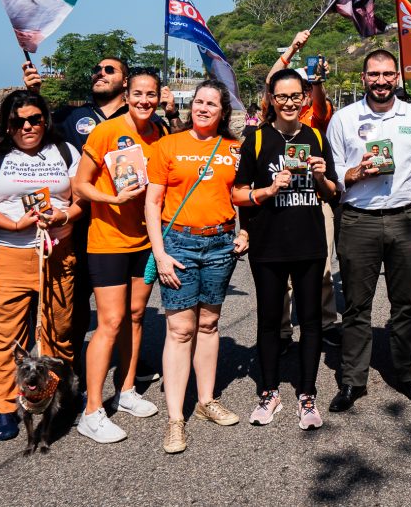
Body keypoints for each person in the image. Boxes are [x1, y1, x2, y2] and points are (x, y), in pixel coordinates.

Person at [24, 58, 177, 385]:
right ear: (130, 91)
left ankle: (127, 375)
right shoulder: (73, 115)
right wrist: (33, 93)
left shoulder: (154, 126)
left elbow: (171, 161)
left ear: (124, 82)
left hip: (134, 231)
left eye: (109, 70)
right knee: (78, 312)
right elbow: (36, 132)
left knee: (129, 314)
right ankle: (70, 378)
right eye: (96, 69)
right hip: (81, 225)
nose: (100, 73)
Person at [327, 49, 411, 411]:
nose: (380, 81)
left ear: (397, 77)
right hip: (358, 219)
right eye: (373, 74)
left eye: (387, 74)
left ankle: (407, 375)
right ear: (363, 78)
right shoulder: (343, 119)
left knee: (405, 305)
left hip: (406, 219)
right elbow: (334, 177)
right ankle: (352, 381)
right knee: (357, 307)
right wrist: (355, 174)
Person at [0, 90, 83, 442]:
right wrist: (16, 225)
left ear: (45, 120)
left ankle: (53, 397)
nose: (27, 126)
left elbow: (80, 199)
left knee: (57, 331)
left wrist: (62, 214)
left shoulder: (65, 150)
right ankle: (4, 407)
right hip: (6, 254)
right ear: (7, 124)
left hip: (56, 253)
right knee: (5, 337)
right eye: (18, 121)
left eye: (35, 119)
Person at [145, 80, 248, 454]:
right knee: (180, 328)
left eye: (212, 104)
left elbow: (240, 194)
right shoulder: (167, 145)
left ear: (223, 112)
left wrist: (245, 230)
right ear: (192, 107)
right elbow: (152, 203)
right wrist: (159, 253)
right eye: (200, 102)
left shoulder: (234, 149)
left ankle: (206, 401)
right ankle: (175, 419)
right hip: (179, 244)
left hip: (221, 242)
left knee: (208, 323)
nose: (204, 108)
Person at [233, 69, 338, 430]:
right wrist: (267, 191)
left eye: (296, 97)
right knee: (268, 321)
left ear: (306, 99)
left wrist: (322, 176)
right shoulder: (257, 139)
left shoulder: (316, 138)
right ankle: (269, 392)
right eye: (282, 97)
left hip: (309, 244)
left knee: (310, 322)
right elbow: (237, 193)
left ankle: (307, 395)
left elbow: (333, 194)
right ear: (271, 100)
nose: (290, 103)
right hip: (268, 244)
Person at [72, 68, 167, 443]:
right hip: (108, 240)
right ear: (126, 94)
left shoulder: (159, 132)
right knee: (110, 322)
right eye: (138, 94)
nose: (145, 101)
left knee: (136, 315)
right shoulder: (106, 130)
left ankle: (126, 390)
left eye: (152, 95)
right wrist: (112, 199)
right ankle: (91, 410)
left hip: (144, 241)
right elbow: (79, 184)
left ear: (159, 97)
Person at [264, 30, 341, 349]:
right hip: (278, 201)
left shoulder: (317, 117)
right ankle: (282, 330)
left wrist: (318, 81)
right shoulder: (274, 113)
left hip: (315, 199)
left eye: (301, 92)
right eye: (287, 94)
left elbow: (321, 103)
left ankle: (325, 322)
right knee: (282, 276)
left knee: (322, 268)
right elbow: (270, 83)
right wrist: (294, 47)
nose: (293, 99)